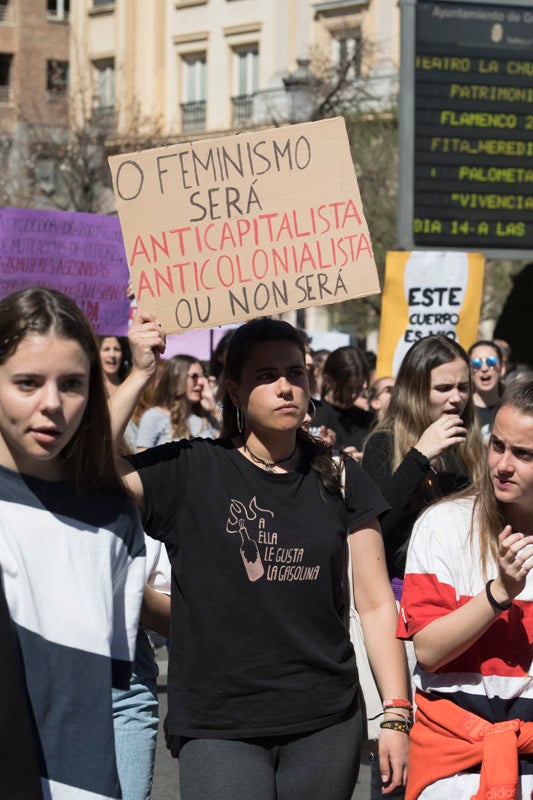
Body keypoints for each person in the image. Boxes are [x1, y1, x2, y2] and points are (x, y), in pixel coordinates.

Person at [111, 312, 410, 800]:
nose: (285, 387)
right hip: (218, 724)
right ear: (233, 390)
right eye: (266, 376)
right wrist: (141, 372)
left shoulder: (340, 476)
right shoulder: (192, 468)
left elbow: (376, 605)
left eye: (295, 373)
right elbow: (89, 472)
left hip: (325, 721)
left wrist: (395, 713)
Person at [0, 287, 146, 799]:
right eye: (27, 382)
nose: (52, 404)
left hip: (80, 781)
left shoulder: (114, 517)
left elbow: (106, 673)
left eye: (72, 384)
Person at [397, 377, 533, 800]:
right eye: (498, 446)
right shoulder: (444, 524)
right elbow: (429, 651)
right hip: (450, 769)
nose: (503, 465)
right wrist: (498, 593)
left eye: (524, 454)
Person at [362, 335, 484, 589]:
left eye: (462, 387)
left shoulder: (470, 446)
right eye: (443, 388)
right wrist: (419, 456)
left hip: (465, 588)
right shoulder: (383, 443)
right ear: (415, 390)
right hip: (404, 591)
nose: (456, 398)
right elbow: (374, 531)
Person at [135, 353, 220, 450]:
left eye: (203, 376)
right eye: (194, 376)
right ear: (176, 378)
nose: (201, 382)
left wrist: (213, 409)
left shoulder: (206, 416)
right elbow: (141, 462)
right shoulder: (154, 416)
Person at [313, 345, 374, 459]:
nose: (354, 394)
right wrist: (338, 457)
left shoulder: (368, 420)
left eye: (359, 388)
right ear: (329, 380)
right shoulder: (312, 414)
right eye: (349, 388)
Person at [468, 340, 504, 444]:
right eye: (476, 364)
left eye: (491, 362)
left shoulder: (512, 409)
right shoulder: (461, 410)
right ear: (469, 371)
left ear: (502, 369)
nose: (484, 368)